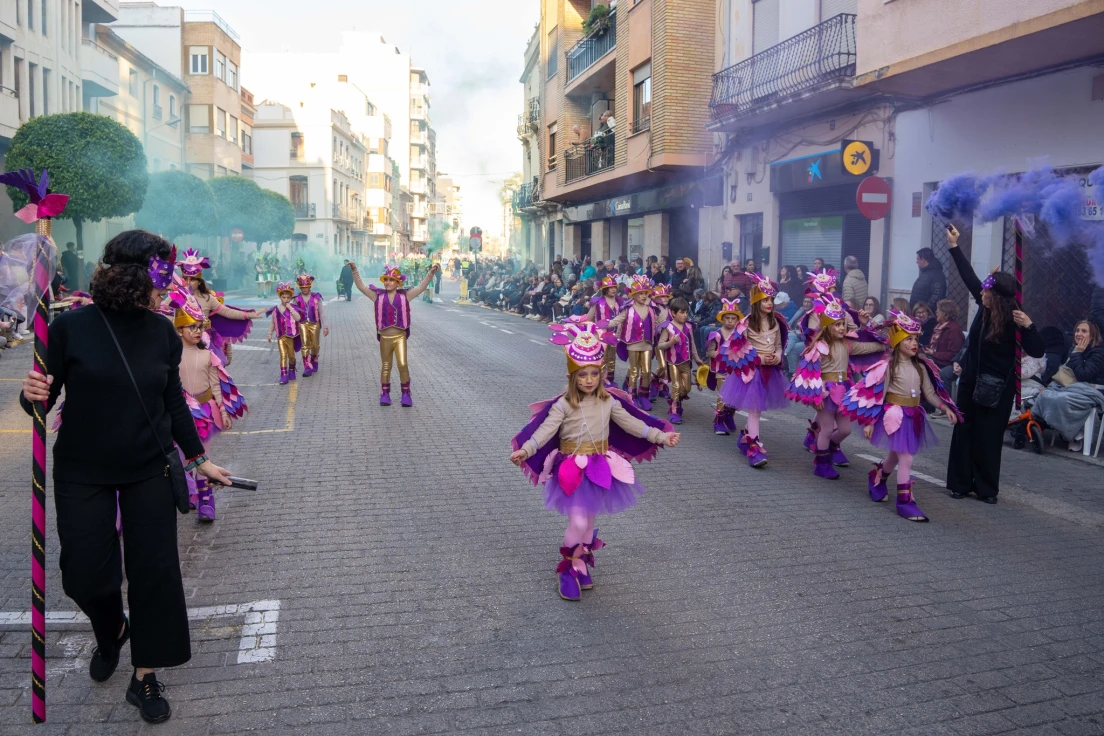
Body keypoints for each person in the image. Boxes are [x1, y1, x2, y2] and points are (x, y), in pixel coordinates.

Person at [18, 230, 231, 724]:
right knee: (84, 574)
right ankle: (112, 626)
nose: (171, 282)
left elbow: (172, 402)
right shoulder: (68, 327)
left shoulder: (161, 333)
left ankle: (145, 677)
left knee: (155, 573)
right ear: (135, 273)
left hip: (148, 470)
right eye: (163, 271)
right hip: (82, 470)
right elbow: (42, 400)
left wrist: (200, 460)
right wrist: (30, 395)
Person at [510, 318, 679, 601]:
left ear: (601, 374)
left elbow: (633, 425)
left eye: (593, 374)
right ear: (572, 377)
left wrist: (661, 437)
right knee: (577, 523)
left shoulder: (609, 402)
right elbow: (544, 431)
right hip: (571, 468)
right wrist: (526, 450)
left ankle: (580, 563)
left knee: (588, 523)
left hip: (599, 467)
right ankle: (567, 570)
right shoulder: (564, 405)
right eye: (582, 375)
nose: (588, 380)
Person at [944, 225, 1043, 504]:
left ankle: (986, 488)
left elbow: (1037, 349)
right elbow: (969, 278)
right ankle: (960, 483)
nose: (981, 296)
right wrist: (953, 246)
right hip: (971, 381)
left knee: (988, 438)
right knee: (964, 432)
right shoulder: (984, 306)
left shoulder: (1016, 319)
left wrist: (1030, 326)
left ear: (998, 297)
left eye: (987, 293)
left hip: (998, 388)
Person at [843, 312, 961, 521]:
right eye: (908, 339)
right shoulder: (888, 367)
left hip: (913, 416)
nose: (914, 343)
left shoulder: (921, 366)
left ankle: (878, 476)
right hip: (894, 415)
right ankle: (904, 502)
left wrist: (946, 407)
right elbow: (877, 395)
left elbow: (930, 394)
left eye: (916, 339)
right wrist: (870, 422)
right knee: (905, 457)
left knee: (895, 456)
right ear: (897, 342)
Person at [787, 294, 885, 479]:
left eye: (843, 324)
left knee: (846, 429)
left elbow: (872, 345)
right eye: (837, 324)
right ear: (827, 326)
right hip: (825, 392)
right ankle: (822, 465)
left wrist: (876, 335)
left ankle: (826, 450)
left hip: (845, 389)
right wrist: (816, 396)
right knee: (826, 429)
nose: (841, 328)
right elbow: (808, 372)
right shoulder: (819, 346)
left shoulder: (848, 344)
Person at [172, 291, 246, 522]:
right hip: (179, 415)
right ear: (179, 330)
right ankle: (190, 492)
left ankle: (207, 501)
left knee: (203, 456)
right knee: (183, 457)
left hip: (204, 414)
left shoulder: (209, 356)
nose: (196, 331)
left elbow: (216, 388)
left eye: (199, 327)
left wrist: (223, 412)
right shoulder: (170, 356)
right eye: (190, 327)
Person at [718, 274, 789, 467]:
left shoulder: (776, 322)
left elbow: (779, 345)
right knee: (755, 410)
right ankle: (753, 448)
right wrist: (759, 357)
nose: (769, 303)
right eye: (765, 300)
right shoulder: (746, 324)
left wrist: (777, 355)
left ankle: (745, 437)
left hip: (770, 372)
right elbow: (738, 347)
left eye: (771, 300)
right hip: (753, 373)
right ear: (757, 301)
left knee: (756, 409)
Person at [350, 261, 440, 407]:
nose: (388, 282)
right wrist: (354, 269)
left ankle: (406, 394)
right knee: (386, 366)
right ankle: (385, 394)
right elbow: (361, 286)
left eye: (391, 280)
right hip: (385, 337)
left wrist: (431, 273)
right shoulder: (377, 296)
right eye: (386, 279)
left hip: (400, 337)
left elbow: (421, 287)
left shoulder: (406, 295)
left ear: (397, 283)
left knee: (403, 365)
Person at [178, 249, 262, 367]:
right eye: (185, 278)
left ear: (199, 282)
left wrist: (248, 315)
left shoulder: (207, 298)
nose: (188, 282)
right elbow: (163, 310)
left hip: (203, 341)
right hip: (182, 342)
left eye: (192, 279)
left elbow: (226, 312)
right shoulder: (176, 296)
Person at [1029, 320, 1104, 451]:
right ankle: (1072, 432)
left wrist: (1078, 353)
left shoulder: (1098, 352)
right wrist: (1076, 352)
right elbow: (1067, 375)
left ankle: (1072, 432)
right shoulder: (1074, 349)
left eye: (1084, 331)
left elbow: (1083, 375)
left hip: (1087, 391)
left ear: (1092, 336)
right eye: (1077, 330)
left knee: (1060, 399)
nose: (1079, 334)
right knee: (1044, 395)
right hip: (1069, 387)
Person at [607, 275, 659, 410]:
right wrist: (602, 325)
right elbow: (617, 320)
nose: (643, 296)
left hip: (647, 343)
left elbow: (658, 324)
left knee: (647, 371)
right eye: (640, 294)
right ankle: (632, 395)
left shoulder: (652, 309)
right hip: (633, 344)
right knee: (634, 371)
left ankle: (644, 396)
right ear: (634, 295)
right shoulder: (628, 308)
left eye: (645, 294)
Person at [656, 297, 704, 424]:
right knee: (676, 386)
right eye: (681, 312)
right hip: (673, 362)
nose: (684, 315)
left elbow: (692, 344)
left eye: (686, 312)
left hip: (686, 363)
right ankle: (674, 411)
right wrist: (671, 342)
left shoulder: (688, 326)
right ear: (673, 313)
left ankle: (676, 401)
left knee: (687, 388)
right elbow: (660, 345)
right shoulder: (668, 327)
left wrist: (698, 359)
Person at [706, 298, 743, 435]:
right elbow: (710, 352)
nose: (730, 321)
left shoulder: (739, 335)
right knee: (722, 396)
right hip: (721, 370)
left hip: (735, 371)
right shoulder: (716, 334)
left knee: (735, 397)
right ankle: (718, 421)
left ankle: (729, 416)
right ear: (722, 318)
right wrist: (723, 353)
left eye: (733, 318)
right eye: (727, 318)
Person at [267, 281, 302, 385]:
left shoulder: (293, 308)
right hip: (281, 336)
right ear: (280, 297)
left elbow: (298, 318)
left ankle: (291, 369)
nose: (286, 299)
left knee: (291, 355)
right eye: (283, 297)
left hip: (291, 336)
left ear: (290, 298)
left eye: (288, 297)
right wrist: (269, 334)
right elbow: (272, 323)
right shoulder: (275, 309)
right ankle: (283, 375)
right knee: (283, 355)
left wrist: (290, 308)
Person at [293, 274, 328, 376]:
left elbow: (322, 312)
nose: (305, 289)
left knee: (315, 345)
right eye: (302, 288)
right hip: (302, 324)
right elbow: (293, 313)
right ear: (300, 287)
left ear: (310, 286)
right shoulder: (296, 299)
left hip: (315, 323)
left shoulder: (316, 297)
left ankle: (314, 359)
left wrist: (325, 326)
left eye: (306, 287)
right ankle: (307, 366)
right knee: (305, 345)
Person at [923, 299, 963, 372]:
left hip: (944, 363)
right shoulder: (938, 327)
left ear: (945, 313)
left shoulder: (953, 330)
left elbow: (953, 355)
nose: (936, 312)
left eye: (938, 310)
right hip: (934, 358)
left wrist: (933, 353)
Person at [910, 247, 947, 312]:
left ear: (923, 260)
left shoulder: (937, 275)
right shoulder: (926, 273)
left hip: (927, 316)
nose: (917, 262)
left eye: (918, 259)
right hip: (919, 314)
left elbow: (936, 296)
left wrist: (925, 311)